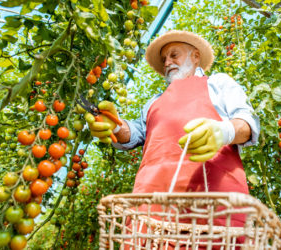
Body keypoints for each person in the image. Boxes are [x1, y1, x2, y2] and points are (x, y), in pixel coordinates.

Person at [89, 30, 259, 238]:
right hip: (152, 204)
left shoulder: (218, 83)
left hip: (211, 198)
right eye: (164, 59)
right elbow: (135, 134)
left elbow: (248, 122)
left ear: (196, 56)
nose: (167, 62)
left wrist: (225, 131)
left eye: (174, 55)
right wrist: (115, 126)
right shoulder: (154, 102)